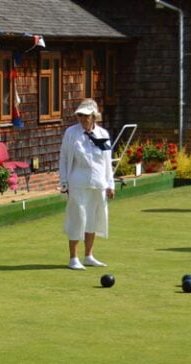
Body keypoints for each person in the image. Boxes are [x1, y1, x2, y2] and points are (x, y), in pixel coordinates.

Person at [58, 98, 115, 270]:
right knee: (78, 219)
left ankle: (89, 256)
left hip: (98, 183)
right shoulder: (71, 133)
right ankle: (73, 258)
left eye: (86, 116)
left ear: (94, 116)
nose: (83, 119)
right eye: (80, 115)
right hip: (77, 182)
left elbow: (107, 161)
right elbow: (64, 158)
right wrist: (64, 182)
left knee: (93, 219)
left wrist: (110, 184)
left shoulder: (103, 134)